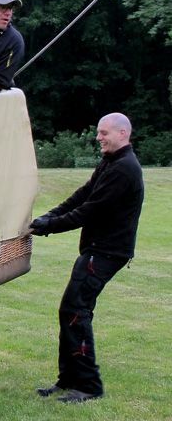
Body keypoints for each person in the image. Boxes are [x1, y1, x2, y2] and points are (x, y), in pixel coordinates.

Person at [29, 113, 144, 403]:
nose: (98, 137)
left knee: (75, 311)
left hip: (105, 252)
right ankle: (69, 379)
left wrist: (49, 227)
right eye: (98, 132)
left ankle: (89, 385)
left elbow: (90, 210)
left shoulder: (124, 169)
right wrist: (50, 214)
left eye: (104, 133)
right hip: (97, 249)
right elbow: (83, 194)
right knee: (71, 312)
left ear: (122, 133)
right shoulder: (111, 162)